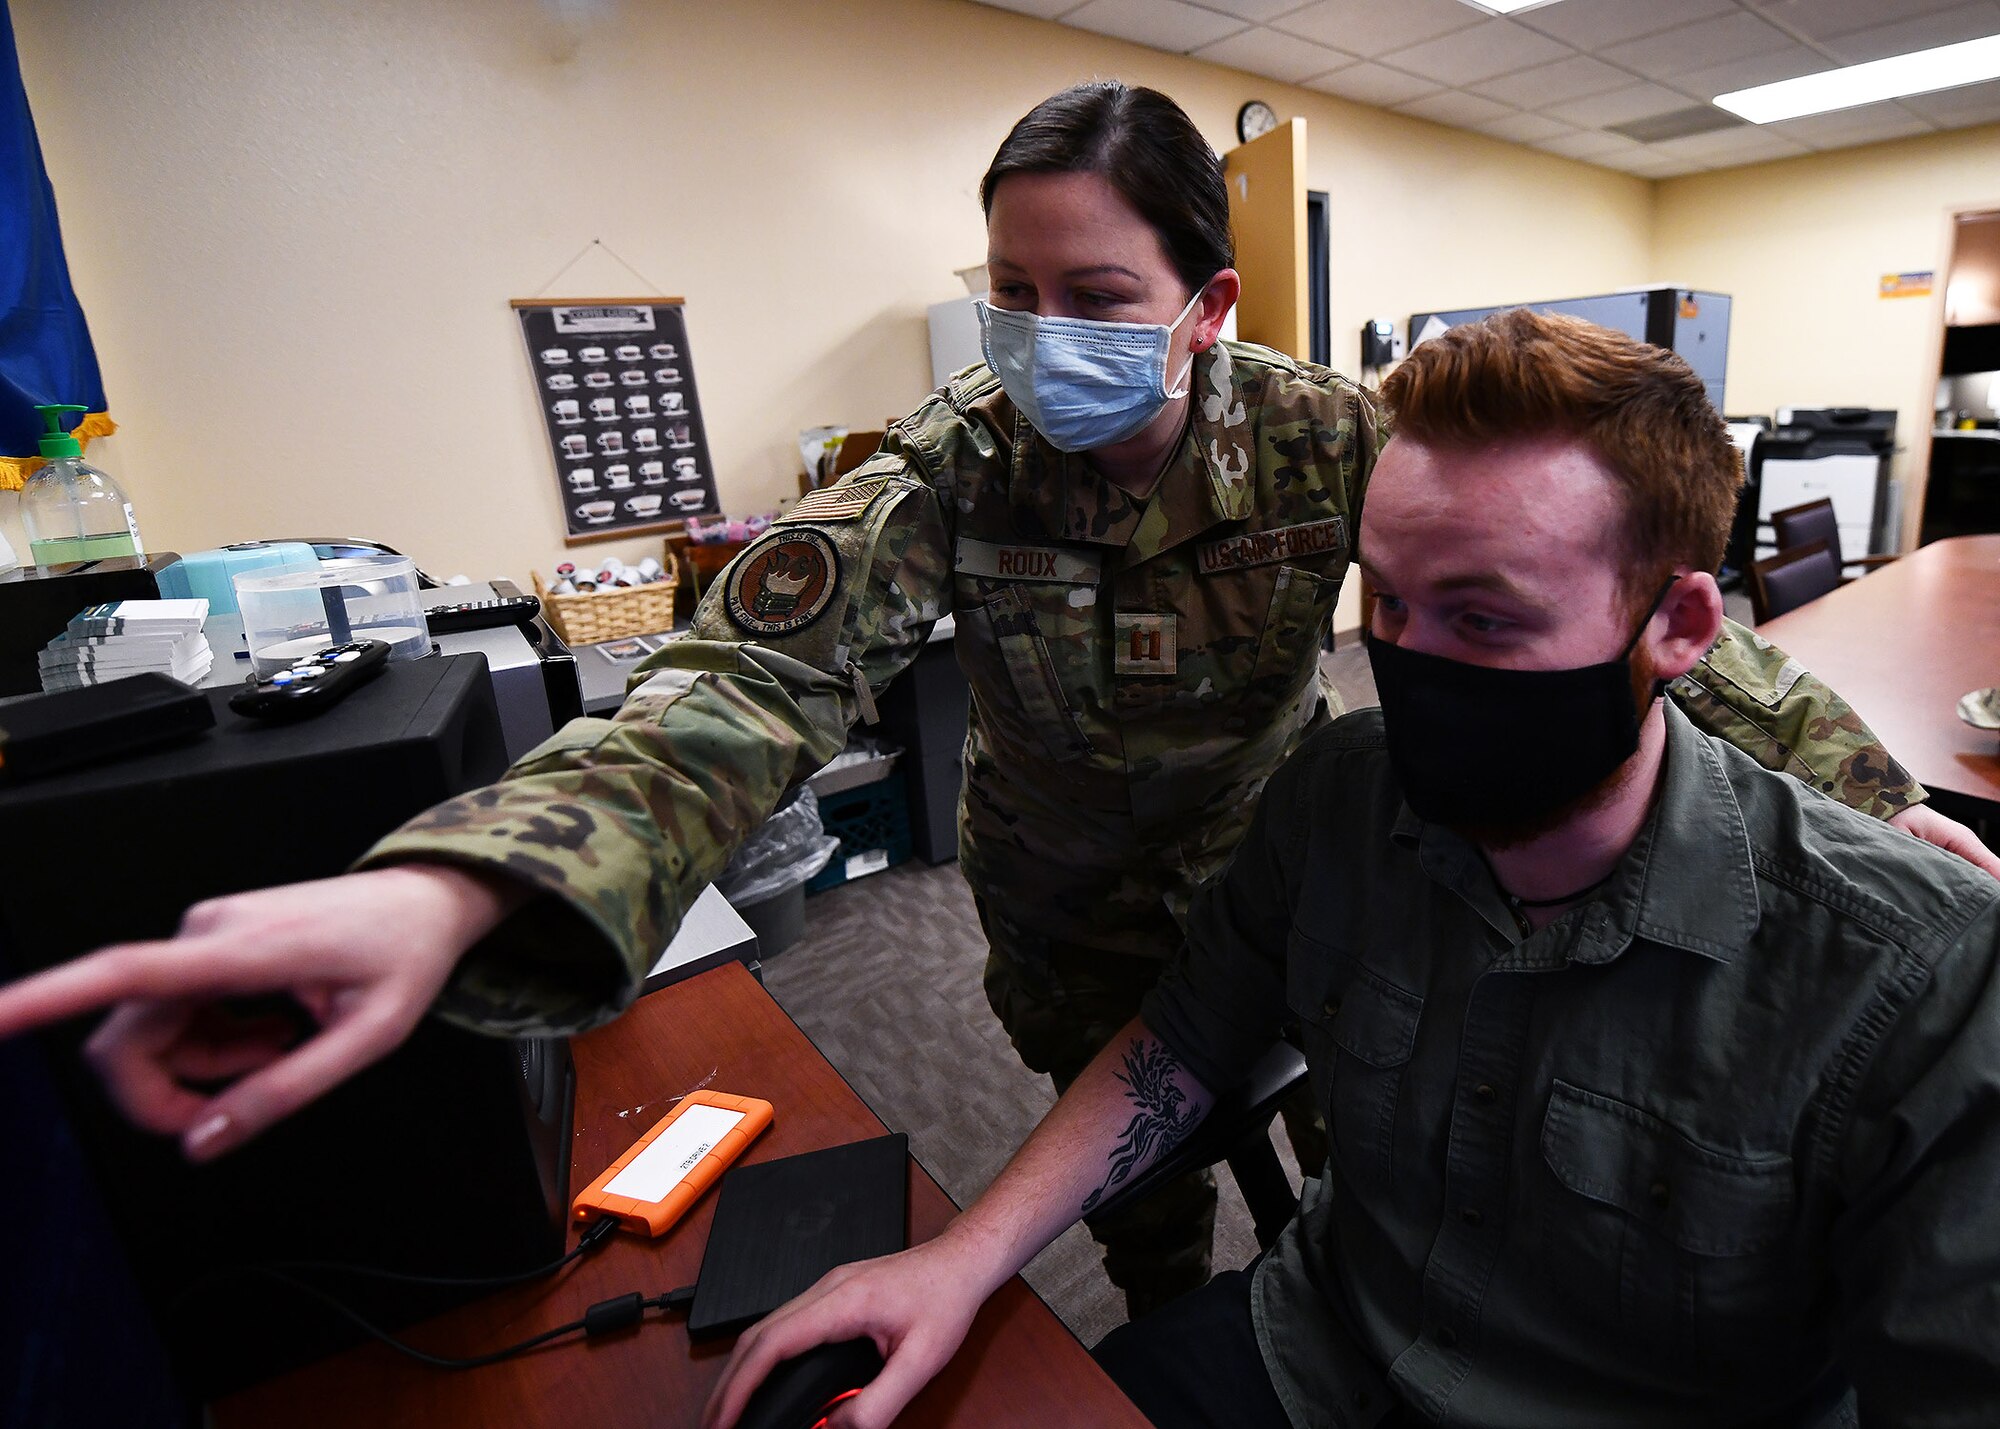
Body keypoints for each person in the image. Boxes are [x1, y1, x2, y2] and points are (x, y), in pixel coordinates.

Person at [0, 84, 1989, 1322]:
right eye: (1013, 292)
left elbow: (1598, 581)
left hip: (1287, 873)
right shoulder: (953, 461)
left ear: (1209, 303)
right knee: (1119, 1168)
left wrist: (1850, 780)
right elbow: (747, 673)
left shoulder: (1321, 440)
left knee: (1398, 1136)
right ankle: (1156, 1307)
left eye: (1100, 298)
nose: (1047, 343)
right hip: (1051, 903)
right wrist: (452, 887)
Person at [702, 309, 2000, 1429]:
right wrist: (962, 1258)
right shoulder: (1341, 794)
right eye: (1384, 604)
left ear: (1675, 626)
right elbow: (1185, 1035)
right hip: (1325, 1350)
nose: (1408, 664)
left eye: (1483, 619)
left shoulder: (1915, 976)